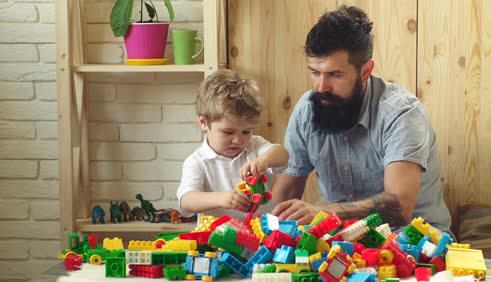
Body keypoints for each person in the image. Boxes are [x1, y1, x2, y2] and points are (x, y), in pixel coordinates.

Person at [271, 5, 452, 234]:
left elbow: (399, 206)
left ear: (366, 71)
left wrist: (322, 213)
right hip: (337, 239)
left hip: (413, 239)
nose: (321, 87)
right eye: (315, 72)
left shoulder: (402, 113)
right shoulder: (307, 109)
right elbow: (284, 195)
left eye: (335, 75)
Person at [177, 69, 289, 222]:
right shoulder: (198, 161)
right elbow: (187, 200)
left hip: (262, 240)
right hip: (217, 241)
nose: (238, 140)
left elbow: (282, 154)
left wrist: (264, 160)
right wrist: (221, 199)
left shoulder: (255, 146)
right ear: (204, 123)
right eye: (228, 132)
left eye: (246, 131)